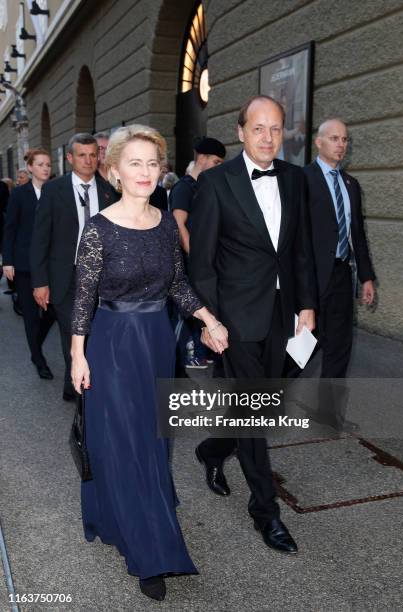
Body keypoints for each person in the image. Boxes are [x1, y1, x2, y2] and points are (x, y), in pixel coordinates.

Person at [70, 125, 228, 601]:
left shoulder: (162, 223)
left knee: (154, 441)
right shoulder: (98, 228)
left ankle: (122, 512)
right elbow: (83, 298)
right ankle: (149, 551)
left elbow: (177, 285)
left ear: (162, 171)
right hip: (113, 345)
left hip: (157, 341)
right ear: (114, 170)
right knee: (126, 444)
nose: (144, 171)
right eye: (134, 163)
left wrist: (209, 319)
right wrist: (78, 354)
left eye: (152, 163)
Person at [189, 95, 316, 554]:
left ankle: (213, 449)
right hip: (237, 319)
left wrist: (306, 305)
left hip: (285, 316)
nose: (268, 137)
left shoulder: (295, 179)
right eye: (259, 128)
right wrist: (209, 319)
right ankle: (267, 512)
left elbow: (299, 248)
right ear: (240, 132)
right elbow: (201, 261)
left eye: (277, 129)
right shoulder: (217, 182)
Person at [30, 133, 119, 402]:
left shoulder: (109, 190)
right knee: (73, 331)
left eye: (93, 154)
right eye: (82, 155)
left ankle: (83, 382)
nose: (88, 160)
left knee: (97, 331)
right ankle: (79, 387)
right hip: (65, 276)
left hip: (102, 276)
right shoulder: (54, 190)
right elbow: (40, 238)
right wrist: (40, 281)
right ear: (70, 158)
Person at [301, 118, 375, 428]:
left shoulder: (351, 185)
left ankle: (328, 414)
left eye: (344, 139)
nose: (341, 144)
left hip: (342, 275)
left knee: (339, 346)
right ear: (319, 143)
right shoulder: (302, 179)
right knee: (300, 347)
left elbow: (357, 234)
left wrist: (366, 277)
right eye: (334, 138)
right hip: (311, 278)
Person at [170, 137, 226, 370]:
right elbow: (179, 225)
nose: (218, 166)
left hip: (203, 264)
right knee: (186, 316)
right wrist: (198, 259)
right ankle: (178, 363)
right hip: (188, 266)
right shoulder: (184, 187)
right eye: (216, 161)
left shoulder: (205, 185)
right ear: (201, 158)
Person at [2, 149, 56, 379]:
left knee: (53, 311)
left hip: (51, 263)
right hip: (24, 264)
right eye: (41, 164)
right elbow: (10, 228)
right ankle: (38, 358)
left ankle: (35, 344)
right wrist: (8, 260)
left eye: (48, 164)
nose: (45, 168)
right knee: (32, 314)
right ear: (31, 167)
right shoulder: (20, 194)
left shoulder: (57, 191)